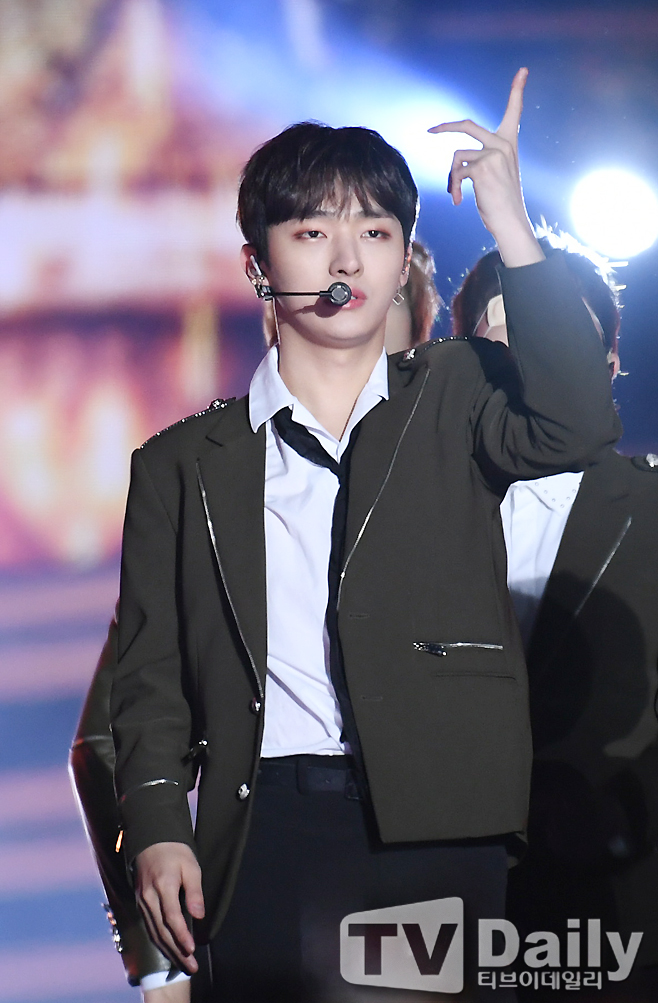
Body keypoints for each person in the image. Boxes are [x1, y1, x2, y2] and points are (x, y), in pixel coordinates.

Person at [108, 69, 620, 1001]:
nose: (346, 258)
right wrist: (156, 825)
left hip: (440, 822)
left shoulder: (457, 391)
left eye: (376, 233)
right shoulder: (181, 463)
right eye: (313, 232)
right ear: (257, 264)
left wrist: (509, 221)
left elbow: (579, 422)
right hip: (262, 829)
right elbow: (150, 681)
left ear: (402, 257)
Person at [455, 238, 658, 999]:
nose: (537, 357)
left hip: (616, 917)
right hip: (438, 915)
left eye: (562, 334)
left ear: (608, 362)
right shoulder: (404, 513)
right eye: (510, 333)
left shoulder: (650, 511)